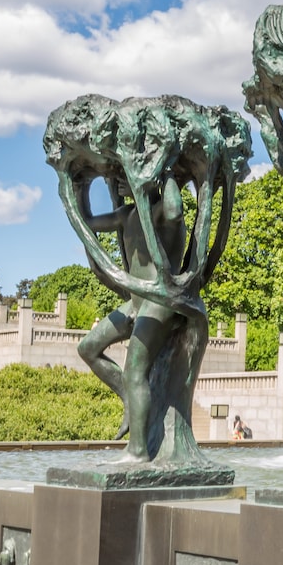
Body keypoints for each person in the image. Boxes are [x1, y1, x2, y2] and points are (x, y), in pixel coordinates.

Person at [76, 175, 187, 463]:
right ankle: (129, 396)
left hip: (159, 301)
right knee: (87, 348)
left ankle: (137, 451)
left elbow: (175, 210)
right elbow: (86, 222)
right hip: (135, 302)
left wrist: (168, 170)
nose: (120, 181)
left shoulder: (160, 211)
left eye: (127, 175)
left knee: (135, 372)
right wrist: (80, 188)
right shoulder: (126, 214)